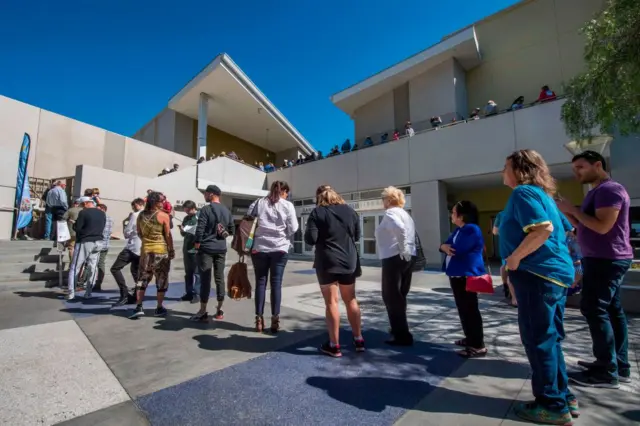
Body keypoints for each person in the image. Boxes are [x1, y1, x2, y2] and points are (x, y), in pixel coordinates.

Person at [500, 149, 576, 424]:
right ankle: (563, 396)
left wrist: (514, 258)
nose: (502, 172)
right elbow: (567, 229)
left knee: (538, 340)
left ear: (520, 170)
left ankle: (551, 405)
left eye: (506, 167)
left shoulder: (523, 193)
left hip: (537, 275)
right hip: (554, 275)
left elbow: (542, 229)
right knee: (551, 338)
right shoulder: (545, 196)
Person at [556, 150, 633, 388]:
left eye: (580, 167)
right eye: (574, 169)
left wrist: (574, 209)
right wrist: (569, 213)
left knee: (593, 308)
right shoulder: (597, 192)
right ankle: (617, 365)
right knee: (611, 311)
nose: (576, 172)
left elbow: (603, 227)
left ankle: (606, 371)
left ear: (597, 165)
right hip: (601, 258)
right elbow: (584, 228)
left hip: (606, 259)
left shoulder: (610, 190)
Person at [305, 186, 364, 357]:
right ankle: (359, 338)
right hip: (349, 260)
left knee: (332, 303)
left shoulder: (317, 213)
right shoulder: (351, 212)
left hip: (327, 261)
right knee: (351, 299)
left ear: (320, 199)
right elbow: (358, 236)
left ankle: (334, 345)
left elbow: (311, 239)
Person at [249, 181, 299, 333]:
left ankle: (258, 319)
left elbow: (248, 218)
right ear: (283, 191)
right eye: (286, 193)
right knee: (276, 283)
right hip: (280, 248)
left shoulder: (258, 203)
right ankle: (275, 320)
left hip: (260, 247)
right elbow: (294, 228)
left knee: (261, 283)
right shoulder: (287, 205)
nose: (286, 196)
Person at [440, 201, 488, 358]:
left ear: (462, 216)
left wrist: (445, 247)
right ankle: (470, 338)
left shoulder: (471, 229)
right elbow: (444, 245)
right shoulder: (459, 230)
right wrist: (443, 246)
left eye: (453, 212)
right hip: (457, 275)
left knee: (470, 310)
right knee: (463, 309)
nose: (451, 215)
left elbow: (455, 249)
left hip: (466, 275)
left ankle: (477, 345)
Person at [376, 186, 416, 346]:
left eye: (383, 198)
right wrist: (407, 250)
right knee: (400, 295)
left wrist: (403, 248)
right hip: (407, 257)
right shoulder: (405, 213)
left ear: (388, 200)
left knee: (391, 296)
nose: (382, 201)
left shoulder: (391, 213)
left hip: (394, 257)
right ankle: (399, 329)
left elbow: (399, 229)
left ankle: (401, 335)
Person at [129, 192, 175, 319]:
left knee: (142, 279)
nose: (163, 202)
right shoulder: (163, 216)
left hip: (146, 251)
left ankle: (138, 306)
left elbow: (139, 233)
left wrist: (147, 242)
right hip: (161, 252)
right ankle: (159, 308)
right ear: (155, 202)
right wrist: (171, 249)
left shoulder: (140, 215)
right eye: (161, 200)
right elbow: (167, 235)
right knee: (161, 280)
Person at [192, 185, 234, 321]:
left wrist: (197, 243)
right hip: (221, 248)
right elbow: (232, 230)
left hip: (206, 248)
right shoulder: (227, 211)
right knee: (220, 278)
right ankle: (220, 310)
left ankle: (203, 310)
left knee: (205, 279)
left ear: (211, 194)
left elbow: (200, 229)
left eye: (205, 193)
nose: (204, 195)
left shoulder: (206, 209)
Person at [67, 197, 106, 301]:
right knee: (93, 266)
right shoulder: (102, 213)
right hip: (98, 241)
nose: (80, 207)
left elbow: (78, 228)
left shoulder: (83, 213)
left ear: (85, 204)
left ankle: (71, 292)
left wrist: (74, 223)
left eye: (81, 205)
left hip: (85, 241)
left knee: (75, 266)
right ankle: (88, 292)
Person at [110, 198, 144, 307]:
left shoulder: (135, 215)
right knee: (136, 272)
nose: (133, 208)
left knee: (115, 268)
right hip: (143, 248)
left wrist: (126, 223)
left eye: (134, 206)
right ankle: (136, 295)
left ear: (139, 205)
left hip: (133, 246)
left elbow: (127, 233)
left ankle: (124, 294)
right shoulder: (150, 215)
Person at [493, 211, 517, 307]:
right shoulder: (524, 212)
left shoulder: (501, 215)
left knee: (507, 268)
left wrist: (504, 233)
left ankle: (510, 293)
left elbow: (495, 231)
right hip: (523, 246)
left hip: (506, 247)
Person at [178, 200, 200, 303]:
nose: (186, 213)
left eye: (188, 211)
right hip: (187, 248)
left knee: (197, 273)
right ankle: (189, 292)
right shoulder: (186, 218)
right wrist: (182, 230)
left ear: (192, 208)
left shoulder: (199, 216)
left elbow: (202, 231)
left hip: (196, 249)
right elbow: (183, 234)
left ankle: (197, 294)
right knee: (188, 273)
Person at [92, 203, 112, 292]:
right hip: (105, 244)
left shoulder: (99, 218)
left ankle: (93, 283)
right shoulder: (110, 219)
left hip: (98, 243)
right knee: (100, 263)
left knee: (95, 263)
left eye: (98, 209)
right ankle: (98, 283)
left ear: (103, 210)